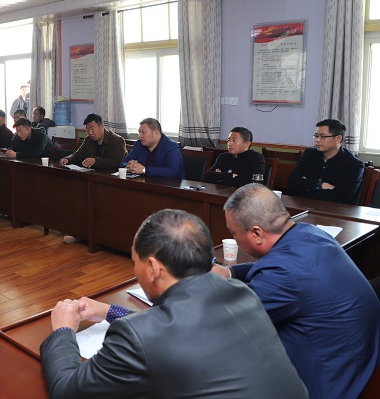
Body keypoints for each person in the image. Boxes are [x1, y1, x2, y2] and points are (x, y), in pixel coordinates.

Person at [40, 209, 307, 398]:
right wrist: (110, 311)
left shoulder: (141, 336)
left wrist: (63, 331)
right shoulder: (240, 293)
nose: (135, 270)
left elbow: (66, 390)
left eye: (134, 262)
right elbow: (175, 329)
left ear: (154, 267)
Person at [213, 183, 380, 398]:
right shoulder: (310, 233)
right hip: (362, 361)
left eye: (233, 232)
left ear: (256, 233)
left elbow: (229, 319)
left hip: (336, 383)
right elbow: (277, 266)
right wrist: (230, 272)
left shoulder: (282, 275)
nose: (234, 238)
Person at [288, 118, 365, 204]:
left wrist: (306, 186)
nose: (317, 140)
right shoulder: (309, 154)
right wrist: (320, 184)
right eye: (316, 136)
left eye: (323, 137)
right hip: (304, 206)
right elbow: (292, 183)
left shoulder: (354, 165)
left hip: (335, 210)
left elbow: (339, 198)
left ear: (338, 139)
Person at [120, 118, 184, 178]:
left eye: (143, 132)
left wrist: (144, 170)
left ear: (156, 132)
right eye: (139, 132)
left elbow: (172, 172)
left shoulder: (171, 146)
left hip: (170, 184)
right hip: (145, 183)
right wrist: (128, 166)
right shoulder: (138, 144)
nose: (140, 136)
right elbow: (123, 162)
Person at [60, 113, 126, 169]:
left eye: (92, 129)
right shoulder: (88, 139)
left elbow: (115, 163)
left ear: (102, 126)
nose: (90, 133)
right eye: (87, 129)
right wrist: (67, 159)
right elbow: (78, 154)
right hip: (92, 174)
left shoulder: (118, 141)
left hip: (110, 176)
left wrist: (95, 161)